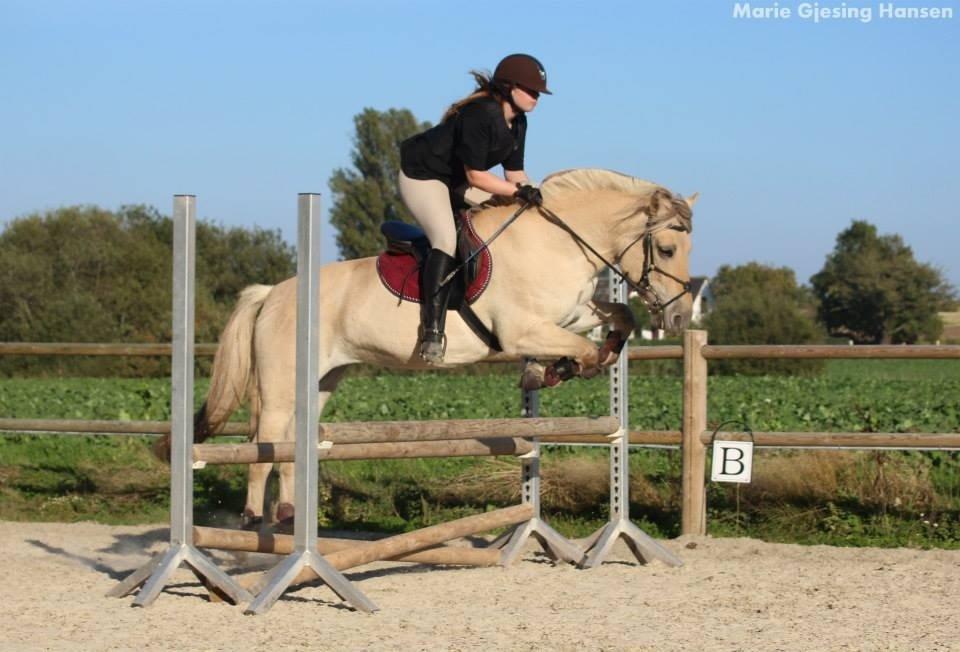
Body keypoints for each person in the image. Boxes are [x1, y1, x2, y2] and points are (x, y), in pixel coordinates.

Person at [398, 53, 551, 364]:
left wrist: (539, 200)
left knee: (521, 221)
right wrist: (519, 192)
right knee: (445, 239)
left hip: (457, 181)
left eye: (538, 92)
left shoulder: (518, 121)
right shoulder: (481, 114)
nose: (536, 97)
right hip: (423, 175)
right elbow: (476, 176)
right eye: (531, 90)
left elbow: (514, 174)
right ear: (509, 87)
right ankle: (433, 330)